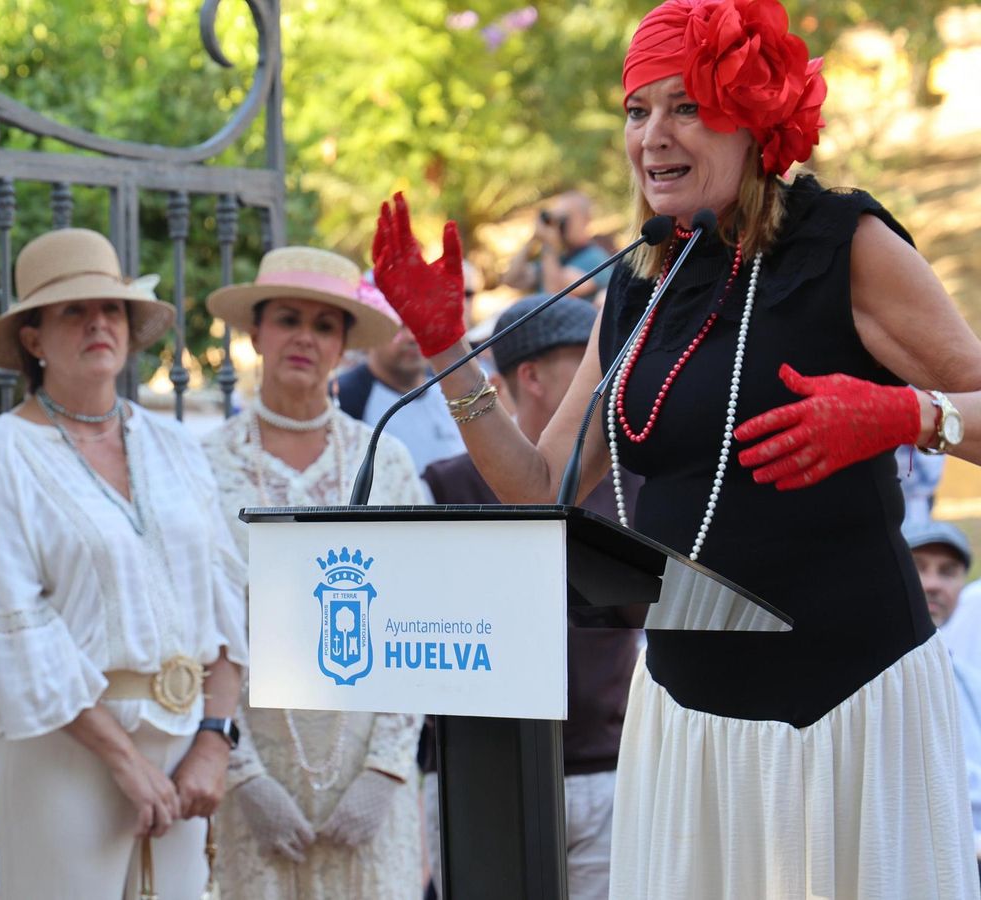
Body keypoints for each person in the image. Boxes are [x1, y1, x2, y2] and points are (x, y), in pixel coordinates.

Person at [370, 0, 981, 894]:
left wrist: (911, 417)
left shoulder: (845, 244)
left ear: (756, 121)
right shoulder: (641, 280)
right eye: (636, 110)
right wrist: (447, 352)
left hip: (846, 706)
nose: (652, 135)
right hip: (688, 713)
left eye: (685, 106)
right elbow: (539, 483)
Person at [0, 228, 246, 898]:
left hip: (185, 745)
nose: (97, 322)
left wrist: (213, 740)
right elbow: (12, 624)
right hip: (64, 751)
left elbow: (229, 595)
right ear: (32, 339)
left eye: (111, 308)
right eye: (72, 311)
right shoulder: (0, 452)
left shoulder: (176, 444)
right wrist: (123, 759)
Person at [201, 247, 424, 899]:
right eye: (288, 319)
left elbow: (420, 616)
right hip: (249, 776)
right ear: (255, 334)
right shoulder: (204, 465)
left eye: (325, 325)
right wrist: (242, 774)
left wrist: (385, 772)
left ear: (344, 346)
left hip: (368, 777)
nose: (305, 337)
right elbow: (197, 625)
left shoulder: (388, 462)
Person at [421, 295, 641, 900]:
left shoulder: (627, 482)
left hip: (605, 770)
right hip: (480, 772)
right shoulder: (446, 484)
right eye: (585, 362)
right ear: (532, 376)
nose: (607, 377)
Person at [904, 521, 981, 873]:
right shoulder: (867, 678)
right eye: (919, 566)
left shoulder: (969, 681)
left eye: (948, 572)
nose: (934, 584)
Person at [335, 271, 467, 474]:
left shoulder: (453, 389)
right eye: (398, 325)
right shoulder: (344, 398)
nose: (412, 336)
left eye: (419, 323)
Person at [502, 190, 615, 302]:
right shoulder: (558, 258)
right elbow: (511, 279)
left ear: (585, 220)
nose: (559, 225)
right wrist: (534, 238)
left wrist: (549, 246)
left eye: (564, 219)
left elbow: (553, 297)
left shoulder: (595, 258)